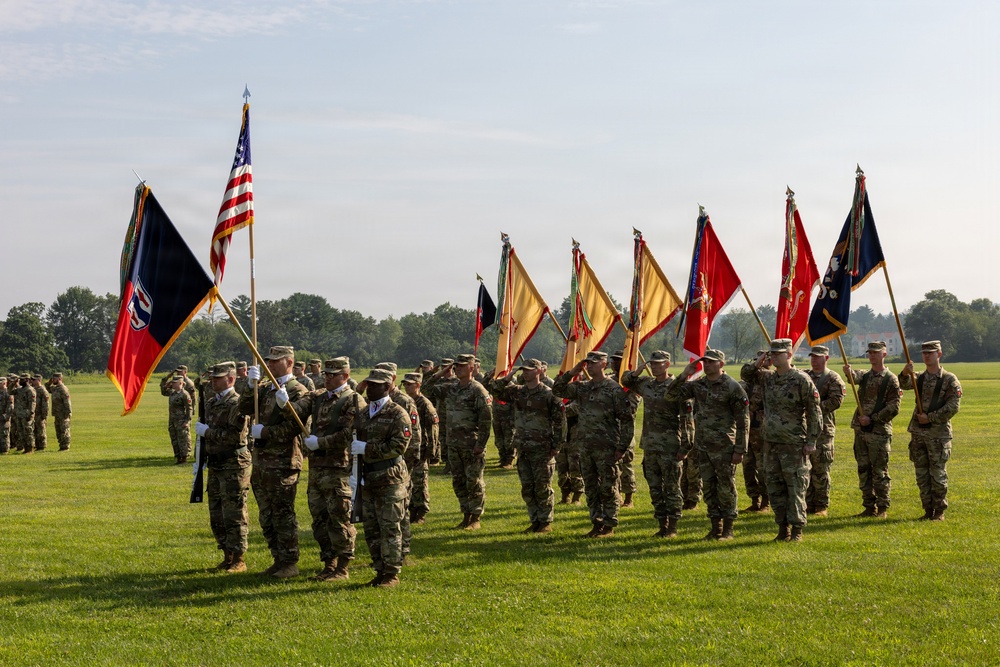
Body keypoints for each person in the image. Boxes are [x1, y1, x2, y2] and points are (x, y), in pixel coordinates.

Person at [239, 345, 312, 578]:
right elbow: (244, 407)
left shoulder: (297, 390)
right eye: (268, 360)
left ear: (289, 362)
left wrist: (266, 433)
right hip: (262, 462)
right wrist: (251, 387)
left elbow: (297, 428)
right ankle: (277, 559)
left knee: (283, 514)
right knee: (267, 515)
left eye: (275, 360)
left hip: (284, 462)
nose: (270, 364)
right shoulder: (266, 388)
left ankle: (290, 562)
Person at [742, 339, 822, 541]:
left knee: (795, 486)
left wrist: (811, 440)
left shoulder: (801, 380)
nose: (774, 357)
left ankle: (796, 530)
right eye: (772, 354)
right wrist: (759, 361)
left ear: (789, 355)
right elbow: (747, 374)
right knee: (774, 486)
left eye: (778, 353)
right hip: (770, 442)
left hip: (793, 443)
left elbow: (814, 412)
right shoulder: (767, 378)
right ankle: (782, 528)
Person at [666, 349, 749, 541]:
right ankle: (715, 527)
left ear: (721, 364)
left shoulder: (732, 387)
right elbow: (671, 396)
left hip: (724, 447)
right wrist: (684, 374)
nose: (707, 365)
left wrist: (740, 449)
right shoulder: (699, 384)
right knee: (709, 488)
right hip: (703, 445)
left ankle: (728, 529)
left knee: (726, 487)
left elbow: (743, 421)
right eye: (706, 362)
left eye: (711, 362)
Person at [552, 351, 634, 538]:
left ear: (604, 364)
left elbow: (627, 420)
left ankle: (609, 524)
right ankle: (596, 523)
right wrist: (572, 371)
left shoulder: (613, 389)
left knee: (608, 487)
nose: (589, 366)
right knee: (591, 487)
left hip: (607, 447)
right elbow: (557, 390)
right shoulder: (582, 387)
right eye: (587, 363)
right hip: (586, 447)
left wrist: (622, 447)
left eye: (594, 363)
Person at [301, 357, 364, 581]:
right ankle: (329, 564)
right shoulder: (317, 397)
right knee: (319, 519)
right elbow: (295, 408)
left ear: (345, 376)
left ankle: (343, 567)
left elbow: (350, 434)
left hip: (339, 470)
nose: (327, 378)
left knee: (339, 519)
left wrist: (321, 442)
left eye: (332, 375)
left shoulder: (354, 400)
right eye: (326, 374)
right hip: (317, 469)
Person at [352, 368, 412, 588]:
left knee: (389, 527)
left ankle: (392, 573)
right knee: (371, 528)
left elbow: (398, 446)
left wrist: (367, 448)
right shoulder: (363, 413)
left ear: (387, 386)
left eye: (377, 385)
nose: (371, 388)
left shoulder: (397, 413)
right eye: (369, 384)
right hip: (368, 478)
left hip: (390, 478)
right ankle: (379, 569)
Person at [492, 359, 566, 533]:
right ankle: (535, 520)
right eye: (523, 370)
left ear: (539, 371)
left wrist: (556, 445)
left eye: (530, 370)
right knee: (527, 487)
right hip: (523, 448)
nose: (525, 373)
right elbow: (494, 390)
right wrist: (508, 376)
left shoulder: (549, 394)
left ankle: (546, 521)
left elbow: (560, 422)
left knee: (542, 486)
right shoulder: (518, 392)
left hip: (543, 448)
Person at [621, 351, 690, 538]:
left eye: (658, 363)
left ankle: (673, 527)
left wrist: (685, 447)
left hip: (670, 446)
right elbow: (625, 381)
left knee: (672, 488)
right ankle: (662, 524)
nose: (654, 366)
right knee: (655, 487)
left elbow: (687, 420)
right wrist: (637, 371)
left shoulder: (677, 387)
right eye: (652, 363)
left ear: (667, 364)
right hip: (650, 446)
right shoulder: (647, 384)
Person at [194, 362, 251, 573]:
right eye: (212, 378)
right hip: (216, 464)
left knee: (234, 513)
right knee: (216, 514)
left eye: (218, 378)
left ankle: (239, 559)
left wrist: (207, 432)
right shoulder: (211, 402)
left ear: (231, 379)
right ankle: (227, 555)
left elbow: (234, 436)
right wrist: (199, 459)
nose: (213, 381)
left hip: (233, 464)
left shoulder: (237, 403)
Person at [425, 354, 492, 529]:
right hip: (453, 443)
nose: (458, 368)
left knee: (474, 481)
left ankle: (475, 518)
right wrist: (440, 373)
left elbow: (485, 421)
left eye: (462, 366)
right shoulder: (451, 387)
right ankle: (466, 515)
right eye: (456, 366)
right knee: (459, 481)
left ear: (472, 367)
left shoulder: (478, 390)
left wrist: (481, 444)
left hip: (471, 444)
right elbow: (425, 389)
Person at [899, 340, 962, 520]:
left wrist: (931, 417)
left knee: (937, 474)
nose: (927, 356)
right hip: (918, 433)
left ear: (939, 354)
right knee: (921, 474)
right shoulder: (918, 377)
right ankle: (927, 510)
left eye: (931, 353)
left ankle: (939, 511)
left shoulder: (949, 379)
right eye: (924, 353)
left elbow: (953, 406)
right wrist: (904, 372)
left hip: (938, 434)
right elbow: (902, 384)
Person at [844, 341, 901, 518]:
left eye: (876, 353)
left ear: (884, 355)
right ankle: (869, 506)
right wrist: (848, 373)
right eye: (870, 353)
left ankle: (882, 507)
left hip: (879, 431)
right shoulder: (866, 375)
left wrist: (873, 418)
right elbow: (855, 378)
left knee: (879, 470)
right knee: (863, 468)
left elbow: (894, 406)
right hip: (861, 430)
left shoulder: (890, 379)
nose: (872, 356)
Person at [805, 346, 846, 516]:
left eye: (818, 357)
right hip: (805, 430)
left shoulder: (833, 378)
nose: (814, 360)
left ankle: (821, 505)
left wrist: (813, 408)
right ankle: (808, 503)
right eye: (812, 357)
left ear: (826, 358)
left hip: (823, 431)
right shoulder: (805, 376)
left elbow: (835, 401)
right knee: (806, 469)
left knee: (821, 469)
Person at [401, 372, 438, 524]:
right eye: (405, 384)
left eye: (409, 384)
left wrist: (431, 451)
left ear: (418, 385)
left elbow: (433, 429)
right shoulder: (406, 401)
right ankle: (411, 510)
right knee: (409, 481)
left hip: (422, 449)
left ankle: (421, 512)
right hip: (409, 449)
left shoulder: (424, 403)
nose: (406, 386)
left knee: (420, 481)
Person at [608, 350, 639, 508]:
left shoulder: (631, 385)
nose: (614, 364)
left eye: (618, 361)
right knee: (614, 466)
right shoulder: (610, 381)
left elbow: (632, 407)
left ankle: (629, 499)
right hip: (611, 431)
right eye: (613, 361)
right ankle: (617, 495)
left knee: (626, 466)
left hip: (625, 430)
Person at [741, 350, 770, 512]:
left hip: (762, 430)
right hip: (747, 430)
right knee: (748, 467)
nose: (760, 364)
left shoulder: (771, 380)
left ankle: (766, 501)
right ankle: (754, 500)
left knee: (763, 467)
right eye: (757, 361)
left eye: (763, 361)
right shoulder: (746, 382)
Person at [424, 358, 456, 473]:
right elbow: (425, 388)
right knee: (442, 440)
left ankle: (454, 465)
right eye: (443, 367)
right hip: (442, 415)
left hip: (455, 417)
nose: (445, 369)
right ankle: (447, 464)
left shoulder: (457, 381)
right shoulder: (439, 382)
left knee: (454, 441)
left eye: (448, 367)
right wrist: (437, 374)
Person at [556, 396, 585, 505]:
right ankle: (565, 496)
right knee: (562, 468)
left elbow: (570, 410)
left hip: (576, 439)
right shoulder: (558, 397)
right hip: (562, 438)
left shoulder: (579, 397)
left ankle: (577, 497)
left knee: (575, 467)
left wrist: (554, 409)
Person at [166, 376, 192, 464]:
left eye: (175, 383)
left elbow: (189, 408)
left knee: (183, 439)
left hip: (181, 420)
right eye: (172, 382)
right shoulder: (173, 393)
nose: (172, 384)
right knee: (174, 438)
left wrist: (187, 421)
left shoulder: (184, 394)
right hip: (172, 420)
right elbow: (163, 389)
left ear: (180, 383)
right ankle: (178, 457)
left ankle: (184, 457)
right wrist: (167, 381)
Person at [48, 373, 72, 451]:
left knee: (64, 430)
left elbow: (67, 402)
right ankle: (61, 445)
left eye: (54, 379)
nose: (53, 380)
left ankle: (65, 446)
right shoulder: (55, 388)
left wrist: (67, 413)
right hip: (57, 413)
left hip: (63, 413)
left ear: (59, 379)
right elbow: (47, 389)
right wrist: (49, 383)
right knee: (58, 430)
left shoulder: (63, 389)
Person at [14, 374, 36, 454]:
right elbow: (10, 391)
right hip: (19, 414)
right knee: (21, 432)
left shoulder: (30, 390)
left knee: (28, 432)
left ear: (27, 380)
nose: (20, 381)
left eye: (22, 380)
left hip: (27, 415)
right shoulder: (20, 389)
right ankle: (25, 448)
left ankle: (30, 449)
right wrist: (14, 382)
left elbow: (32, 404)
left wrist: (30, 414)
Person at [31, 375, 49, 451]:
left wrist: (44, 415)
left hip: (40, 414)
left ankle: (42, 446)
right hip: (34, 413)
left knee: (41, 430)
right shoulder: (34, 389)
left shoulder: (43, 390)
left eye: (34, 380)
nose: (33, 381)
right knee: (35, 430)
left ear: (39, 380)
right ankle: (37, 445)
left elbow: (45, 404)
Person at [0, 377, 11, 454]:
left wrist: (6, 416)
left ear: (4, 383)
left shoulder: (8, 392)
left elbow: (10, 406)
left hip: (4, 417)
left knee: (4, 433)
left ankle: (5, 450)